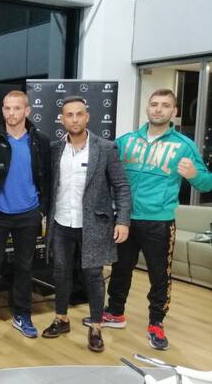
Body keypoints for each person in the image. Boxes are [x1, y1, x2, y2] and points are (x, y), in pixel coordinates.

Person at [87, 88, 212, 350]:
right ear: (147, 108)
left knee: (159, 274)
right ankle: (115, 312)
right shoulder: (126, 141)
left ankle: (156, 322)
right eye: (154, 104)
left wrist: (194, 175)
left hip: (159, 221)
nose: (158, 109)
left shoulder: (184, 146)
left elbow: (207, 183)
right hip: (125, 219)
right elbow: (107, 175)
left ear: (174, 112)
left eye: (165, 105)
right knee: (120, 269)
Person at [41, 96, 130, 352]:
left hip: (94, 224)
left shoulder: (106, 148)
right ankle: (61, 319)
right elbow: (50, 185)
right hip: (61, 222)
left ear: (87, 117)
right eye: (69, 115)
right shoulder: (55, 149)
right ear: (62, 119)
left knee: (93, 275)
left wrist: (123, 220)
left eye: (79, 114)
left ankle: (96, 327)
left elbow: (121, 186)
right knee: (61, 273)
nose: (75, 119)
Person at [0, 90, 50, 339]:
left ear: (27, 111)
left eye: (17, 108)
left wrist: (41, 210)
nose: (11, 113)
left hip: (29, 214)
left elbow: (47, 178)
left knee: (24, 267)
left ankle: (22, 314)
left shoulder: (40, 141)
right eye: (7, 108)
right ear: (2, 110)